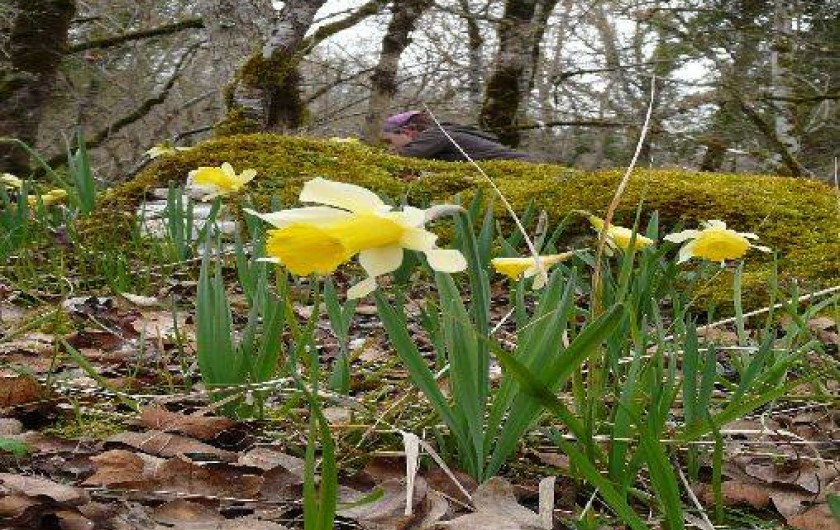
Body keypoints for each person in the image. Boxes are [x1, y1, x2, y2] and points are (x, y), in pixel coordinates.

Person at [381, 111, 536, 162]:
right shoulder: (443, 132)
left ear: (408, 130)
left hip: (521, 164)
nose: (389, 145)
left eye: (389, 141)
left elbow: (406, 156)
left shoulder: (435, 134)